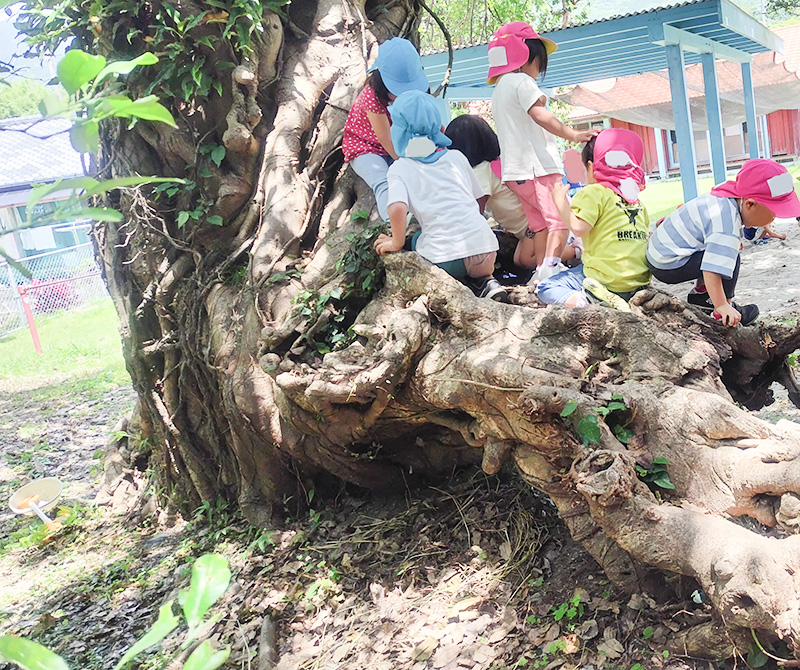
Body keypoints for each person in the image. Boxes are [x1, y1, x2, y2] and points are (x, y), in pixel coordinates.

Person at [487, 21, 597, 282]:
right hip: (537, 167)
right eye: (539, 63)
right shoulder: (521, 82)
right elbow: (540, 115)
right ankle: (550, 267)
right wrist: (573, 134)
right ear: (524, 56)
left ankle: (539, 273)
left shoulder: (499, 89)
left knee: (539, 225)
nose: (538, 71)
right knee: (559, 219)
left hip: (516, 173)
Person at [373, 90, 508, 302]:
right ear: (441, 129)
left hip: (444, 259)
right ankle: (486, 281)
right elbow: (475, 201)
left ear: (397, 132)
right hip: (486, 250)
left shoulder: (400, 168)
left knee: (416, 240)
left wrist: (396, 242)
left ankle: (458, 283)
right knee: (474, 259)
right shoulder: (457, 157)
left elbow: (397, 208)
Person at [647, 158, 800, 326]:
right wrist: (721, 305)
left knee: (726, 250)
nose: (774, 218)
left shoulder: (726, 197)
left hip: (659, 254)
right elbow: (711, 269)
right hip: (669, 264)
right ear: (750, 204)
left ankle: (701, 297)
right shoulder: (727, 224)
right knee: (730, 255)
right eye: (774, 213)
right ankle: (721, 308)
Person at [537, 129, 651, 310]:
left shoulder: (594, 191)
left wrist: (560, 201)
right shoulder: (636, 202)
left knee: (546, 287)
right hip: (638, 282)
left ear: (590, 166)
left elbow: (578, 228)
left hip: (607, 280)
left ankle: (590, 300)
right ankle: (614, 296)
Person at [343, 38, 429, 221]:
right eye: (398, 89)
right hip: (366, 147)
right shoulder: (371, 98)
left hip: (401, 142)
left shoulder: (417, 95)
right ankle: (395, 222)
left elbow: (433, 127)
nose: (404, 94)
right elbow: (391, 145)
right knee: (385, 181)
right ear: (382, 82)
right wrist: (422, 155)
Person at [443, 114, 531, 269]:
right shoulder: (495, 163)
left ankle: (575, 251)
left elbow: (474, 212)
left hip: (532, 229)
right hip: (527, 228)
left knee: (524, 260)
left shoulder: (481, 172)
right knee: (518, 258)